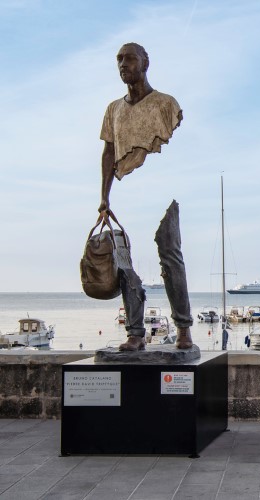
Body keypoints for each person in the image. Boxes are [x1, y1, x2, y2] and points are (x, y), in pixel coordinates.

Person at [98, 43, 193, 351]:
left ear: (145, 63)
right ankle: (135, 332)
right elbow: (108, 152)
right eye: (118, 60)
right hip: (125, 192)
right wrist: (104, 198)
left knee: (171, 258)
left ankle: (184, 328)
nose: (122, 64)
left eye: (129, 58)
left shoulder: (166, 103)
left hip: (163, 192)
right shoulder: (113, 108)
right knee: (123, 263)